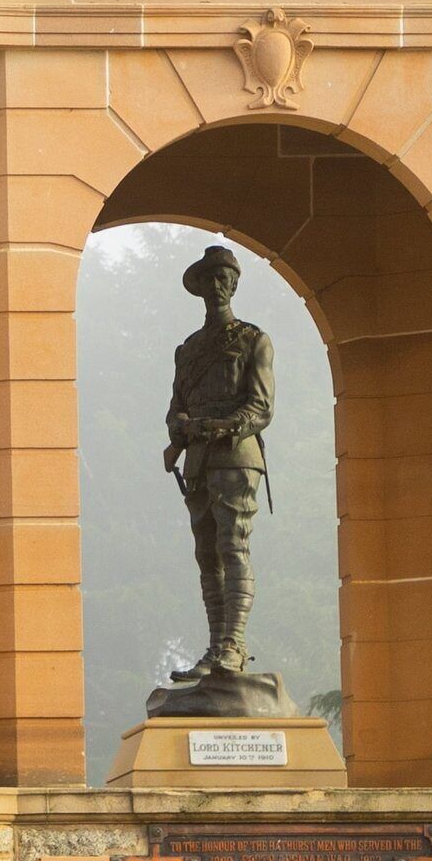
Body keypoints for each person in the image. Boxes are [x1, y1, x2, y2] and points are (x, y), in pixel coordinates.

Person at [153, 243, 289, 717]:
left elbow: (261, 407)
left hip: (235, 457)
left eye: (223, 278)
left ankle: (234, 644)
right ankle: (215, 648)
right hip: (197, 462)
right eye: (208, 280)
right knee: (207, 554)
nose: (216, 287)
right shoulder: (187, 350)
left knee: (234, 547)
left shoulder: (254, 340)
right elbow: (174, 407)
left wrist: (218, 427)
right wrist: (181, 429)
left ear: (233, 284)